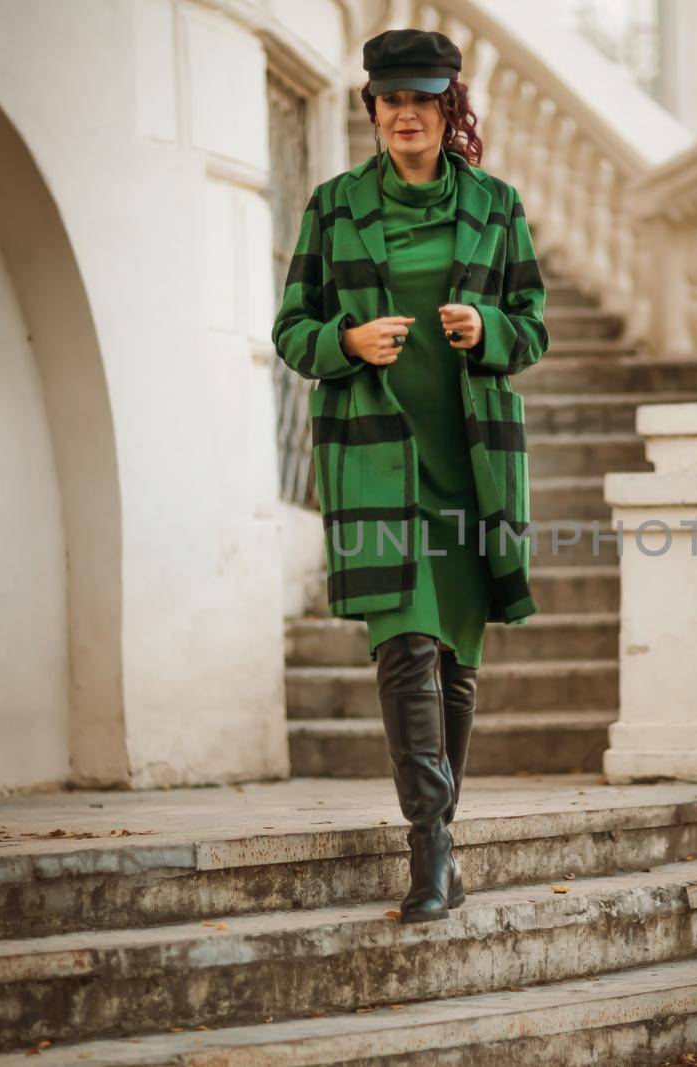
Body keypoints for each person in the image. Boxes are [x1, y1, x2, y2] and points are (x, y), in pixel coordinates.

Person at [272, 27, 549, 924]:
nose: (403, 115)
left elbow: (534, 326)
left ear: (447, 108)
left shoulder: (498, 206)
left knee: (457, 660)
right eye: (389, 100)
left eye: (421, 100)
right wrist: (344, 343)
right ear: (373, 109)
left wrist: (491, 332)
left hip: (472, 464)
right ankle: (429, 847)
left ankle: (443, 843)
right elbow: (290, 331)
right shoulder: (333, 206)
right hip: (374, 463)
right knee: (404, 649)